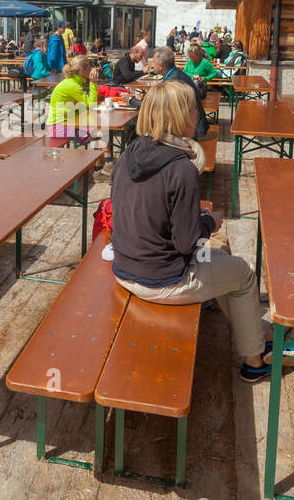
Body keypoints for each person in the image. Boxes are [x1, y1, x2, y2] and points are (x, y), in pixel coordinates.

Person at [110, 79, 282, 382]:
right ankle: (255, 361)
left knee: (220, 259)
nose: (197, 114)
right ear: (179, 117)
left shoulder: (128, 154)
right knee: (242, 272)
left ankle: (258, 330)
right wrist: (210, 221)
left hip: (124, 269)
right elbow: (188, 242)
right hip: (161, 280)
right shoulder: (182, 168)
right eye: (193, 108)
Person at [148, 48, 208, 141]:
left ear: (160, 66)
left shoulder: (173, 80)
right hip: (191, 125)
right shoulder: (175, 73)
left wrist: (132, 101)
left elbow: (159, 105)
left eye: (153, 61)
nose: (152, 64)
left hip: (192, 130)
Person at [47, 55, 99, 146]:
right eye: (89, 68)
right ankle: (102, 158)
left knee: (96, 129)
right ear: (83, 71)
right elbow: (91, 104)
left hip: (65, 123)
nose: (91, 70)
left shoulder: (72, 81)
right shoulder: (73, 85)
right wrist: (93, 83)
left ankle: (100, 159)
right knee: (97, 133)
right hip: (59, 127)